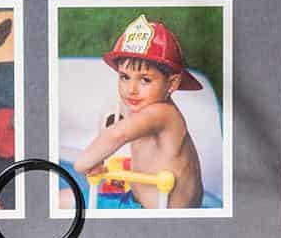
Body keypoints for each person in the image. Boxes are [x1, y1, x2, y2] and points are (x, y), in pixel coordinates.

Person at [76, 13, 206, 210]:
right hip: (140, 201)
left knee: (64, 200)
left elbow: (118, 134)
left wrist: (84, 164)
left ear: (172, 83)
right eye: (124, 77)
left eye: (145, 79)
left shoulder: (162, 113)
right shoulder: (145, 107)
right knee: (67, 198)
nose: (131, 89)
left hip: (157, 213)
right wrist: (99, 158)